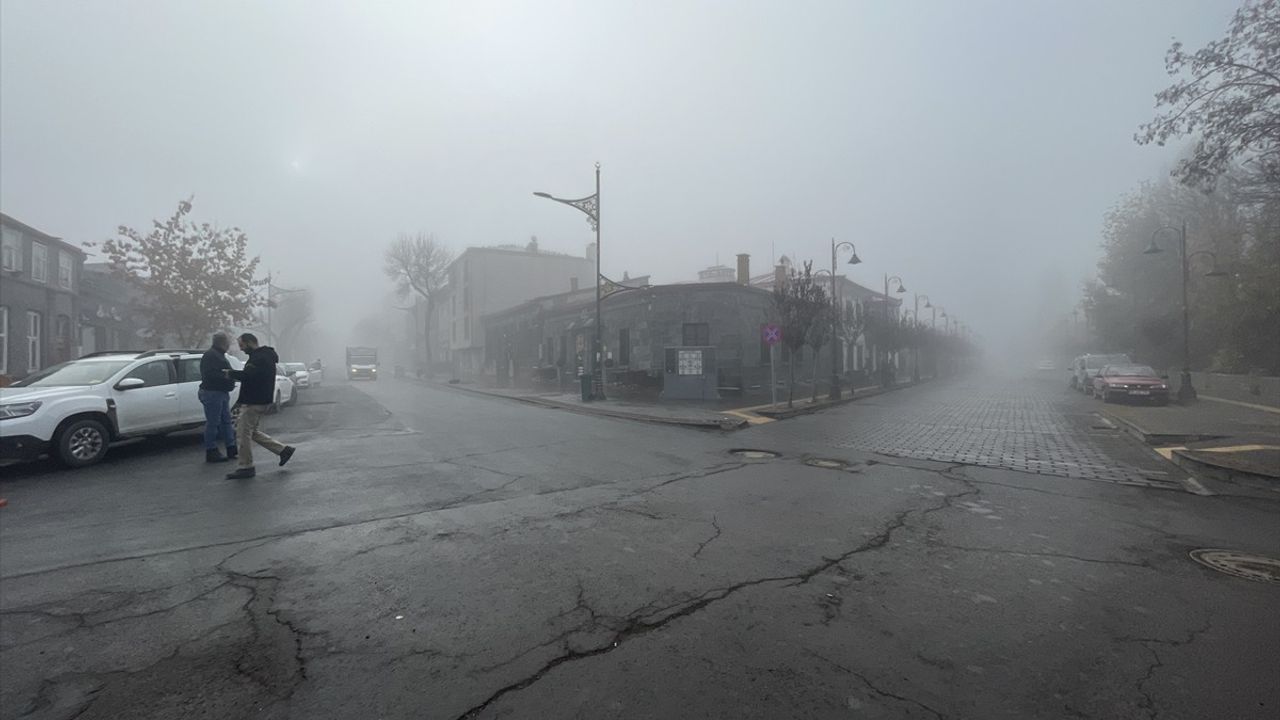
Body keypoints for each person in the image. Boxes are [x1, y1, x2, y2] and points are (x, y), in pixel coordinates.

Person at [223, 333, 295, 479]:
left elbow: (250, 376)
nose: (242, 349)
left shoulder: (258, 358)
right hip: (261, 399)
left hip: (255, 401)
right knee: (251, 431)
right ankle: (283, 450)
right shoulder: (265, 356)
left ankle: (246, 466)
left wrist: (231, 373)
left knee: (243, 433)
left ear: (250, 342)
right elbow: (253, 377)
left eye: (242, 345)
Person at [198, 332, 238, 463]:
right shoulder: (211, 356)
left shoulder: (217, 355)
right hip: (213, 392)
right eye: (228, 343)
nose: (228, 346)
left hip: (220, 392)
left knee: (226, 421)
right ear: (223, 343)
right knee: (213, 422)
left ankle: (231, 448)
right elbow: (211, 374)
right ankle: (211, 450)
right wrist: (228, 376)